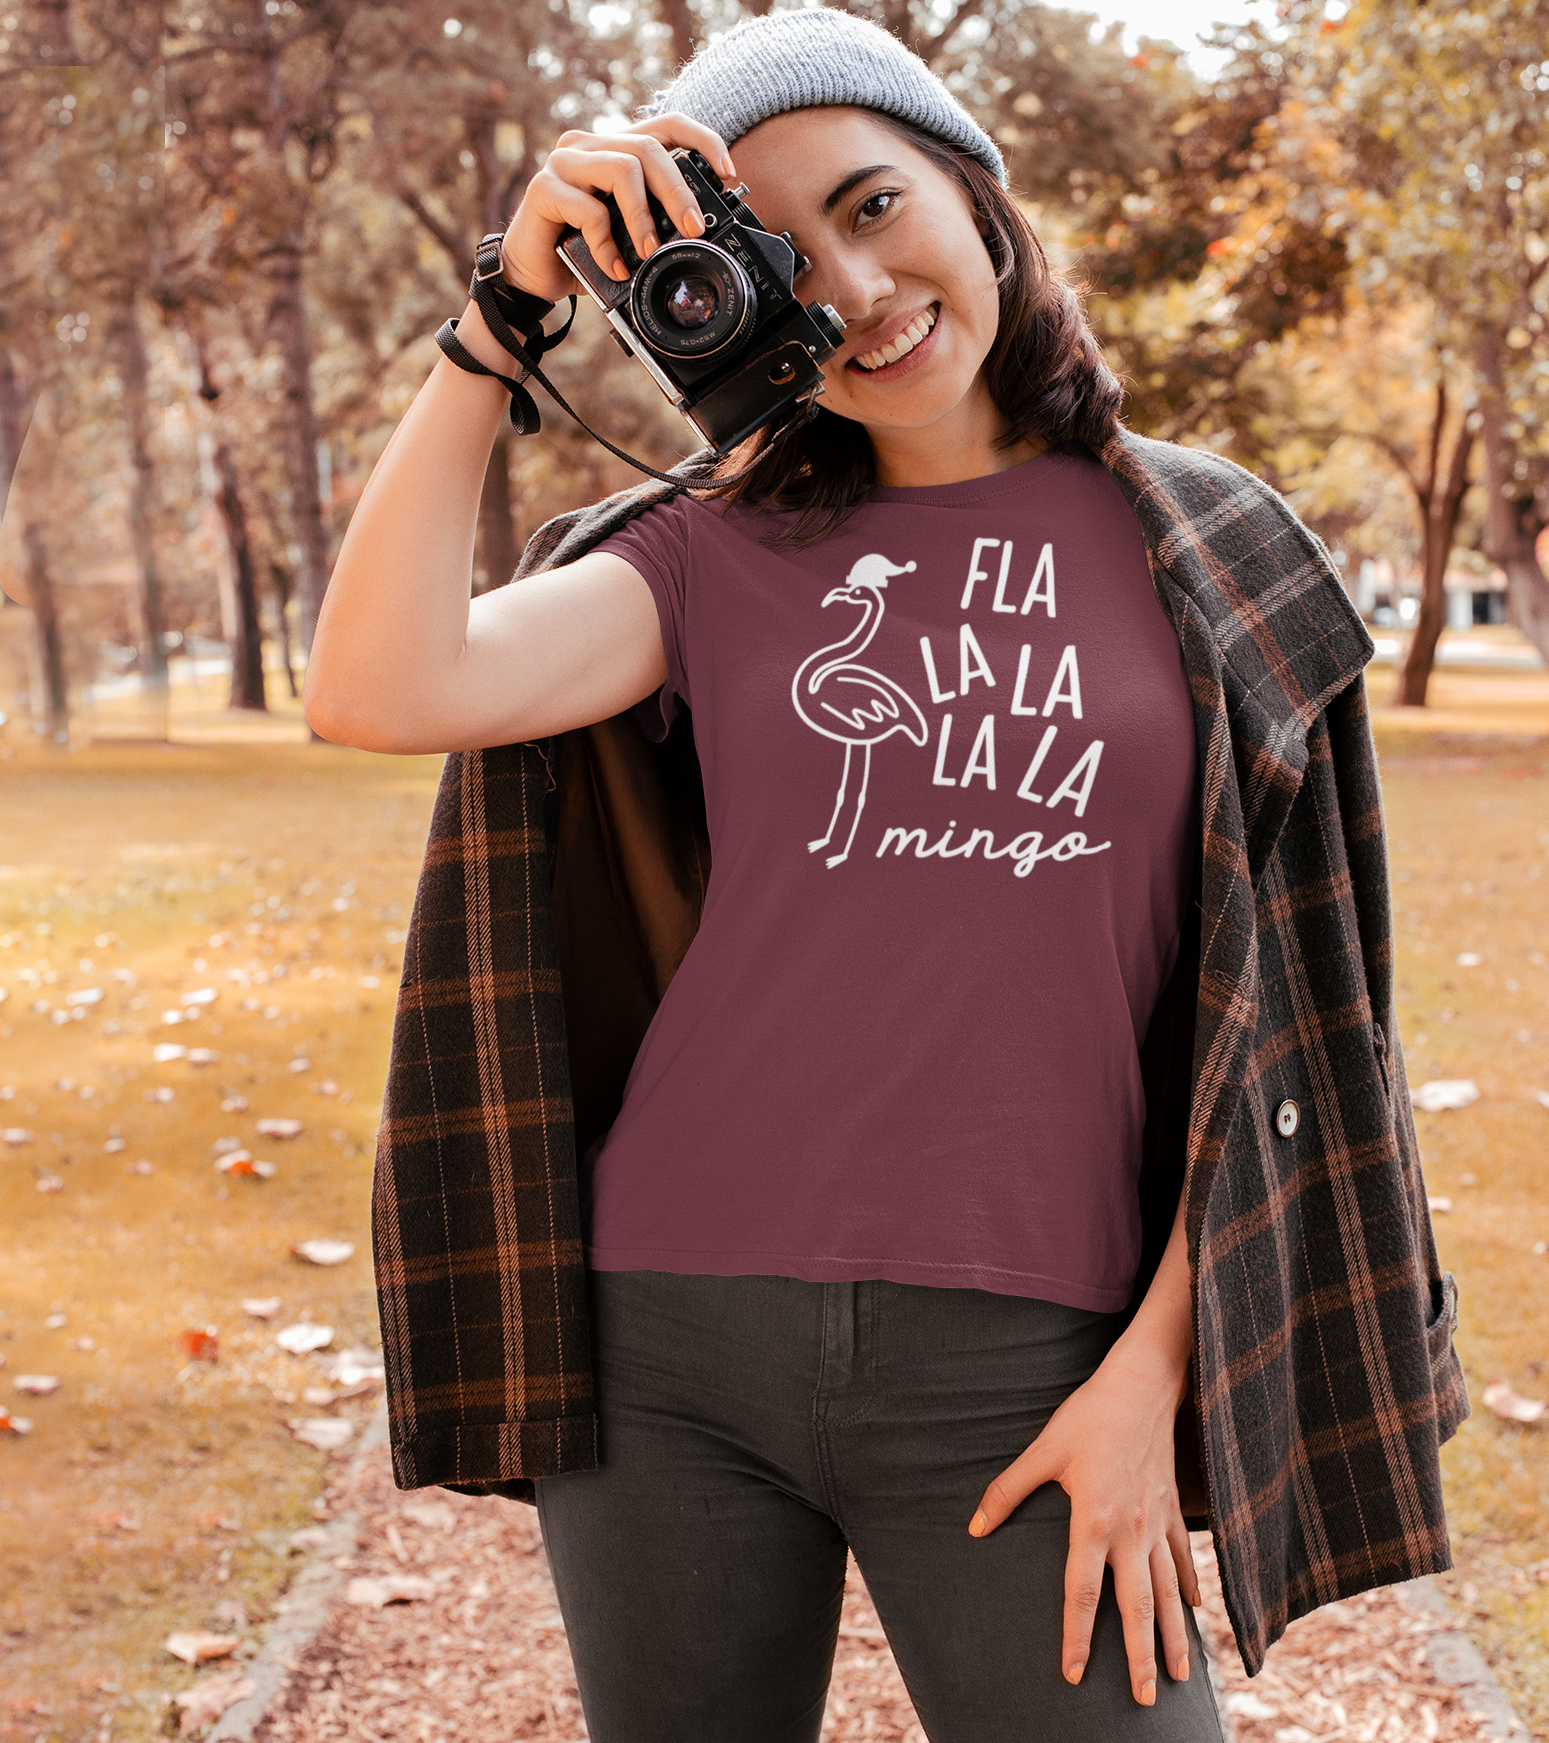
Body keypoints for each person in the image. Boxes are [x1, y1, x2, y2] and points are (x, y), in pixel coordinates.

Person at [306, 11, 1468, 1742]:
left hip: (1034, 1360)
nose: (853, 290)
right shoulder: (703, 549)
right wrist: (496, 327)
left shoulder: (1214, 547)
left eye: (872, 205)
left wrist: (1150, 1378)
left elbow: (1308, 1028)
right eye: (785, 263)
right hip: (667, 1344)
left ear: (974, 191)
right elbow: (378, 689)